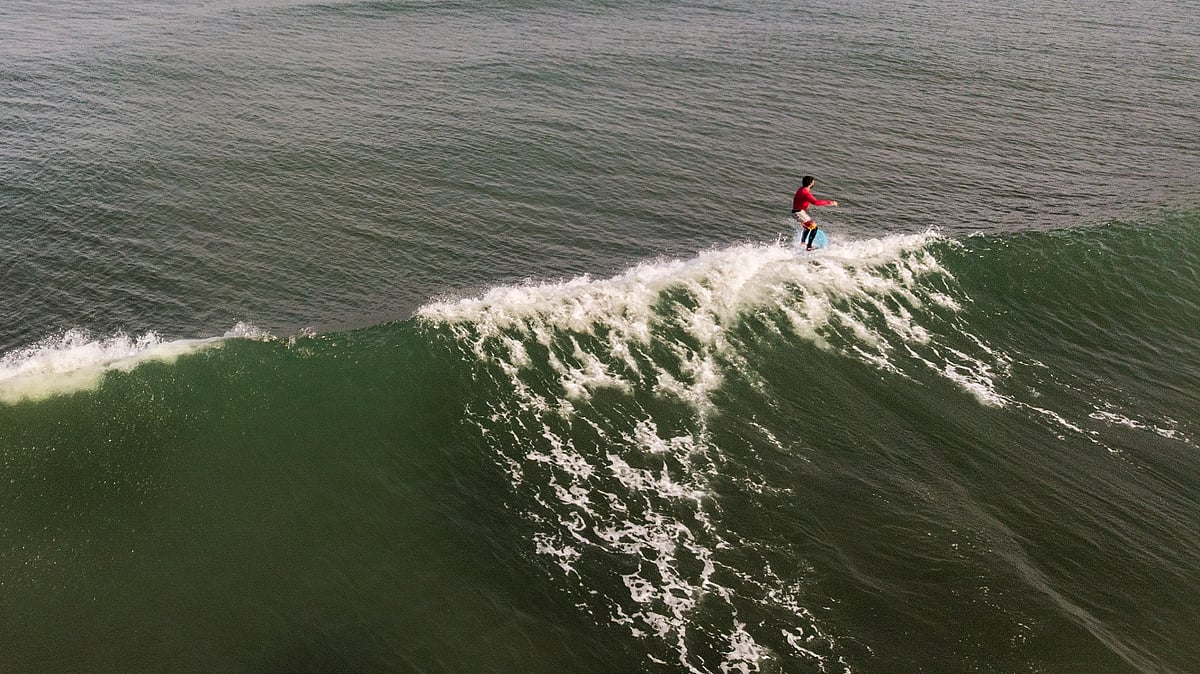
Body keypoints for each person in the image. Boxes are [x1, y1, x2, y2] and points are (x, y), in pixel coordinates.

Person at [791, 175, 838, 250]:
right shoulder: (805, 192)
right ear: (810, 183)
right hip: (799, 212)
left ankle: (803, 243)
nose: (814, 184)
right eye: (813, 182)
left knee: (807, 227)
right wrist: (830, 202)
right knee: (814, 228)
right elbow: (816, 202)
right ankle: (809, 247)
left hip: (797, 212)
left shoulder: (801, 189)